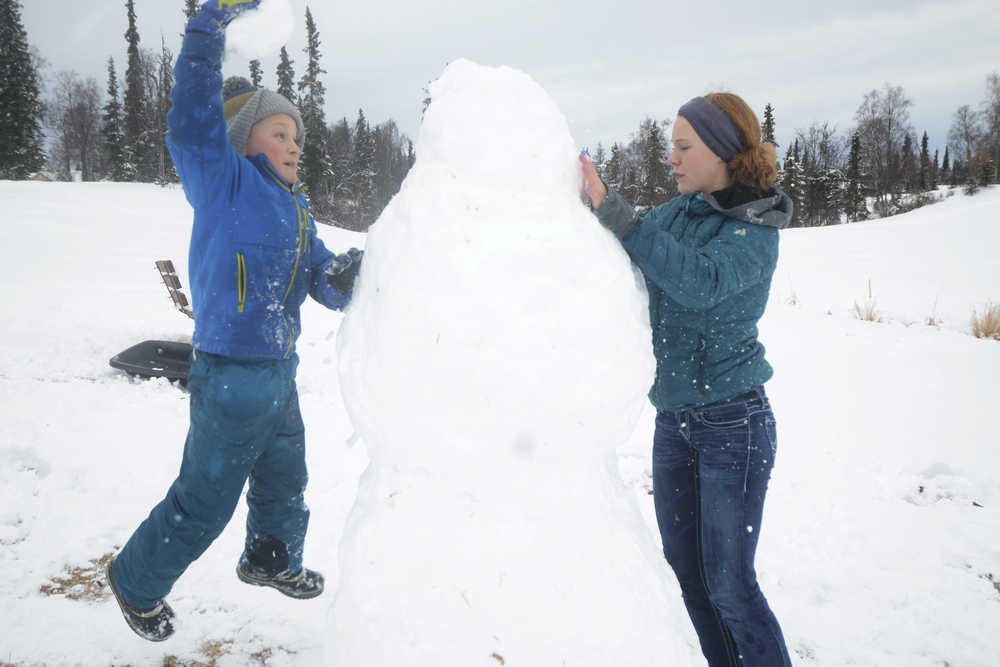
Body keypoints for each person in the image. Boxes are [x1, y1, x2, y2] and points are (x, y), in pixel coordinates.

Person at [105, 0, 362, 642]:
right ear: (244, 140)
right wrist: (205, 30)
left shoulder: (297, 211)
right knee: (206, 498)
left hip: (278, 371)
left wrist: (347, 278)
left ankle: (270, 557)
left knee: (286, 475)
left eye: (297, 137)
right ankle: (135, 583)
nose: (294, 146)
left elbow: (320, 280)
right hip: (228, 374)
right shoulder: (222, 182)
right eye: (279, 134)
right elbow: (191, 124)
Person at [580, 94, 793, 666]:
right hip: (673, 422)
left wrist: (619, 213)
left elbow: (699, 280)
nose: (670, 158)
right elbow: (626, 249)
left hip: (734, 423)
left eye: (683, 146)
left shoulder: (756, 225)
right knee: (691, 578)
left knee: (729, 584)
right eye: (670, 146)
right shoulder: (678, 213)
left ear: (721, 150)